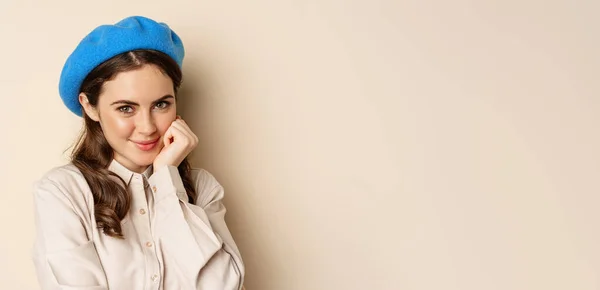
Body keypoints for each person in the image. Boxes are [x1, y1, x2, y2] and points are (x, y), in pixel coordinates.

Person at [31, 15, 245, 290]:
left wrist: (166, 181)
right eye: (125, 108)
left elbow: (225, 285)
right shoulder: (63, 192)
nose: (147, 127)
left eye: (160, 105)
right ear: (90, 107)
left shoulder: (202, 188)